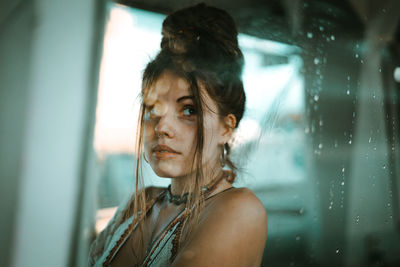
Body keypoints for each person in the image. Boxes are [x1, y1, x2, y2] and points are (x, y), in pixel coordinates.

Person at [88, 3, 267, 266]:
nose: (161, 127)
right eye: (153, 109)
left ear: (226, 127)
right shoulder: (141, 203)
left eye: (188, 110)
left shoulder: (239, 208)